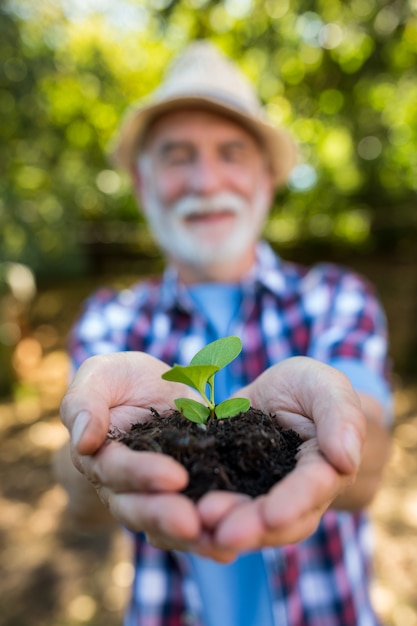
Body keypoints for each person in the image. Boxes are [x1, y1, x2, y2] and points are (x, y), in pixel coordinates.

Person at [58, 41, 393, 626]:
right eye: (177, 156)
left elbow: (371, 455)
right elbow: (78, 492)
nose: (205, 179)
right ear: (142, 183)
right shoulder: (110, 319)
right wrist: (89, 451)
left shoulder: (337, 297)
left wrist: (338, 426)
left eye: (231, 152)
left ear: (266, 175)